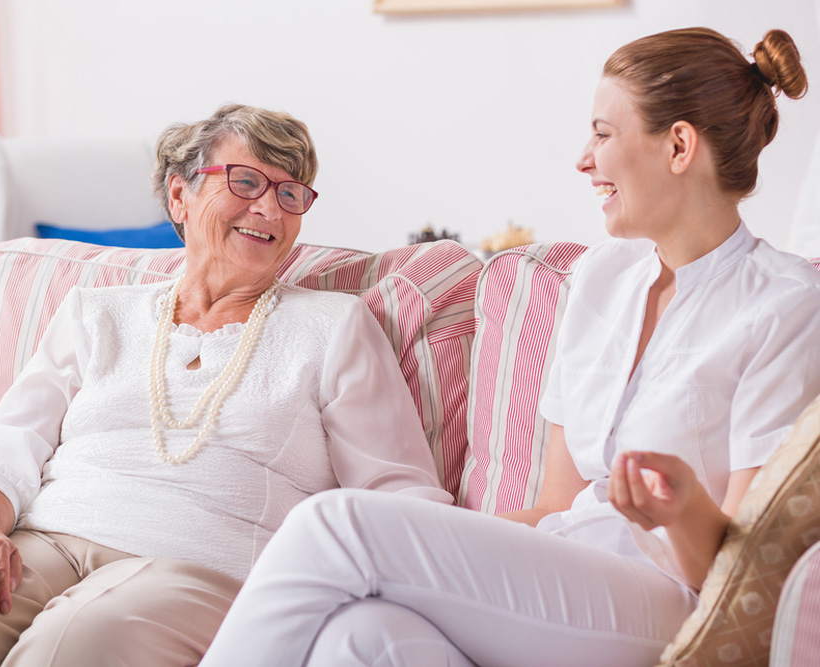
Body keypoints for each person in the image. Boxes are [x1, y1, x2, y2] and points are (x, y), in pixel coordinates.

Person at [199, 28, 820, 667]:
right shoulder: (600, 279)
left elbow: (747, 577)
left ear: (679, 146)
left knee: (334, 526)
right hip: (566, 567)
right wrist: (447, 551)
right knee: (360, 635)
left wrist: (681, 510)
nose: (584, 159)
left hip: (674, 595)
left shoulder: (785, 305)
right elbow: (553, 508)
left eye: (603, 134)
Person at [0, 104, 451, 667]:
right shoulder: (96, 312)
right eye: (246, 182)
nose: (270, 208)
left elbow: (394, 488)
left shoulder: (332, 325)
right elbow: (6, 442)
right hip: (48, 541)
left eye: (291, 194)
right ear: (180, 194)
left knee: (78, 641)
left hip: (203, 564)